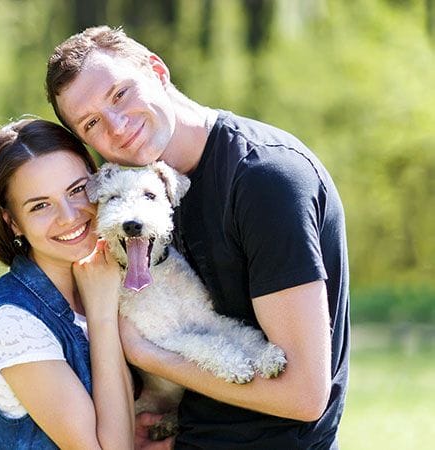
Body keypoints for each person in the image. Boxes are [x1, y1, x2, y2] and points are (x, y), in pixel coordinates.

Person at [45, 26, 350, 449]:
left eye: (120, 94)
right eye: (92, 123)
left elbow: (303, 395)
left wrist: (150, 356)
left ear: (158, 70)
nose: (115, 127)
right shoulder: (143, 195)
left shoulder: (265, 179)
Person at [0, 118, 135, 449]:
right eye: (40, 205)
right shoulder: (14, 324)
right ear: (12, 221)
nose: (70, 215)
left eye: (77, 190)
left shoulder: (114, 273)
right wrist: (102, 313)